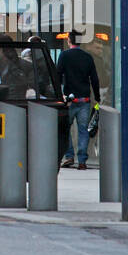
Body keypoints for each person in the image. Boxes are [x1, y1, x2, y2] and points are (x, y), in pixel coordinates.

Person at [56, 29, 100, 168]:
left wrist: (58, 94)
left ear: (69, 40)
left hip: (69, 100)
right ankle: (82, 160)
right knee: (83, 130)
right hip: (84, 100)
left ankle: (69, 156)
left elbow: (57, 75)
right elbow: (94, 79)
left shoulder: (64, 56)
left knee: (65, 129)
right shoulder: (87, 57)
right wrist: (97, 97)